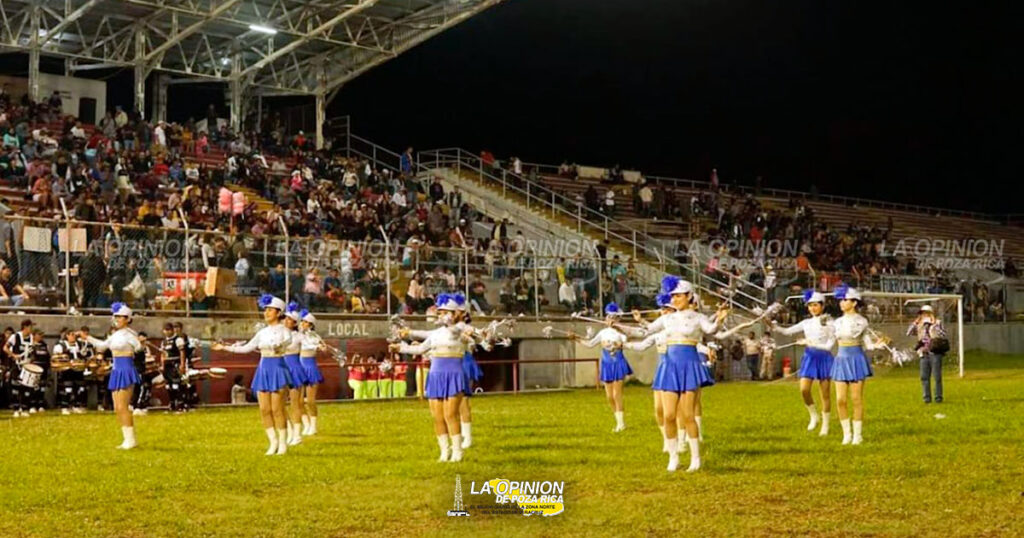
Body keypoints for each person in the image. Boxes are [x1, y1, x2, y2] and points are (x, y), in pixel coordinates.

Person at [640, 276, 728, 472]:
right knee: (669, 415)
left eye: (678, 296)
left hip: (689, 364)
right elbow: (646, 330)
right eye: (672, 296)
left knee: (688, 415)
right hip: (669, 365)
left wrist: (720, 320)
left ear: (689, 296)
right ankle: (673, 457)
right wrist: (635, 321)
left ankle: (695, 458)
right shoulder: (666, 318)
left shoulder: (698, 318)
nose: (674, 299)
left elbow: (712, 329)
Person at [391, 293, 470, 462]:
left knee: (451, 414)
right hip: (435, 374)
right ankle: (444, 451)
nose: (440, 314)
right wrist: (401, 347)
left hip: (453, 373)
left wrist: (411, 332)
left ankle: (457, 451)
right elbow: (420, 349)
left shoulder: (461, 328)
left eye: (444, 312)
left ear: (455, 313)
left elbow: (454, 332)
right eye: (440, 312)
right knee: (437, 416)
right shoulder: (437, 332)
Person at [213, 294, 293, 456]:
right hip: (263, 368)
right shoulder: (262, 332)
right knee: (264, 409)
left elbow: (286, 343)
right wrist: (225, 348)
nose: (266, 313)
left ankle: (283, 443)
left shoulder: (285, 331)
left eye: (270, 310)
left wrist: (279, 346)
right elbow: (247, 348)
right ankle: (273, 442)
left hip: (277, 367)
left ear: (279, 313)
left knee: (277, 409)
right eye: (265, 310)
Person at [770, 290, 836, 435]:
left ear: (822, 306)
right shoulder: (806, 322)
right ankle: (813, 415)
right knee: (804, 390)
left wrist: (811, 343)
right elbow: (787, 332)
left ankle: (825, 425)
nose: (813, 308)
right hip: (809, 358)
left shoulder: (829, 322)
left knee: (825, 394)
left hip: (824, 357)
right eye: (810, 305)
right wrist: (773, 326)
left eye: (816, 305)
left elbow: (831, 343)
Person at [80, 303, 143, 449]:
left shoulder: (130, 334)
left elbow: (138, 348)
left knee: (123, 406)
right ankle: (126, 439)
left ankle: (131, 440)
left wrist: (139, 343)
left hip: (125, 368)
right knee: (117, 407)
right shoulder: (115, 334)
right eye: (115, 317)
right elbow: (102, 346)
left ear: (127, 319)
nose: (116, 320)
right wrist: (87, 338)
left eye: (119, 317)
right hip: (116, 369)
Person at [830, 285, 884, 445]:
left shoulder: (862, 321)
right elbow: (829, 340)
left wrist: (877, 345)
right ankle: (846, 433)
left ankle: (857, 435)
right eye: (840, 300)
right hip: (840, 359)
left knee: (856, 398)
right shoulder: (837, 322)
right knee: (840, 399)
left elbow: (867, 343)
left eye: (845, 300)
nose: (841, 303)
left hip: (856, 359)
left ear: (854, 303)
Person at [573, 303, 634, 433]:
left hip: (617, 362)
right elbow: (590, 344)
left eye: (613, 318)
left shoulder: (620, 333)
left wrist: (619, 333)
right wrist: (576, 339)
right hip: (606, 363)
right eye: (608, 317)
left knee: (617, 394)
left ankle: (621, 424)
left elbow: (625, 341)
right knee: (609, 396)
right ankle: (618, 421)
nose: (609, 320)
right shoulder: (603, 332)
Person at [625, 293, 674, 453]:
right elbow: (643, 342)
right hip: (662, 369)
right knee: (659, 409)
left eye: (667, 309)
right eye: (662, 309)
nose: (663, 312)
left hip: (678, 369)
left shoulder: (680, 330)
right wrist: (624, 344)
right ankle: (666, 439)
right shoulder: (658, 333)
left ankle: (681, 439)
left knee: (676, 411)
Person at [282, 303, 309, 445]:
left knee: (295, 403)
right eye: (285, 318)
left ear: (294, 323)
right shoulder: (278, 334)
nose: (286, 321)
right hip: (281, 367)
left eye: (289, 319)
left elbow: (310, 344)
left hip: (294, 368)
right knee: (279, 404)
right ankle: (290, 431)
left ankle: (297, 435)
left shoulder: (298, 336)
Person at [908, 305, 947, 403]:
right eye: (923, 313)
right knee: (924, 377)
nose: (925, 315)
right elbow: (909, 333)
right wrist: (916, 322)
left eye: (927, 313)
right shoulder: (919, 324)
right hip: (923, 352)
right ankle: (926, 397)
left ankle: (938, 397)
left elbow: (943, 334)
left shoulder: (937, 323)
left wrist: (934, 325)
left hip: (935, 352)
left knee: (937, 376)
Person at [298, 310, 325, 434]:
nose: (302, 324)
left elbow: (321, 347)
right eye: (302, 321)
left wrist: (320, 346)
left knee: (310, 400)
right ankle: (306, 424)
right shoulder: (298, 335)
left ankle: (313, 425)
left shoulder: (314, 337)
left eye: (305, 322)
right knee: (298, 401)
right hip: (300, 367)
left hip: (310, 368)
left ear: (310, 324)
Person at [54, 329, 87, 415]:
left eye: (74, 335)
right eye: (71, 335)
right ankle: (64, 407)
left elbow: (84, 355)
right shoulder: (61, 346)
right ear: (67, 335)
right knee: (68, 389)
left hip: (78, 370)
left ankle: (76, 406)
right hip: (67, 370)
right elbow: (56, 358)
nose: (73, 337)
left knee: (80, 388)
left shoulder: (79, 344)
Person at [5, 319, 34, 417]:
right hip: (17, 365)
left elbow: (31, 351)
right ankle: (16, 409)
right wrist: (13, 355)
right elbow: (5, 348)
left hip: (26, 365)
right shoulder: (15, 336)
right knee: (15, 388)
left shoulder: (31, 338)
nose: (31, 329)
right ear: (25, 327)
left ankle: (25, 408)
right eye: (30, 327)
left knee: (26, 387)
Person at [160, 323, 187, 413]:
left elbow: (182, 352)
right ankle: (172, 404)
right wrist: (162, 365)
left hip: (175, 363)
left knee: (176, 385)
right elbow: (162, 354)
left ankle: (180, 405)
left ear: (172, 330)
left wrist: (182, 365)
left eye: (168, 330)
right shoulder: (164, 341)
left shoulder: (178, 340)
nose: (167, 332)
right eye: (165, 330)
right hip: (167, 365)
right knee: (168, 386)